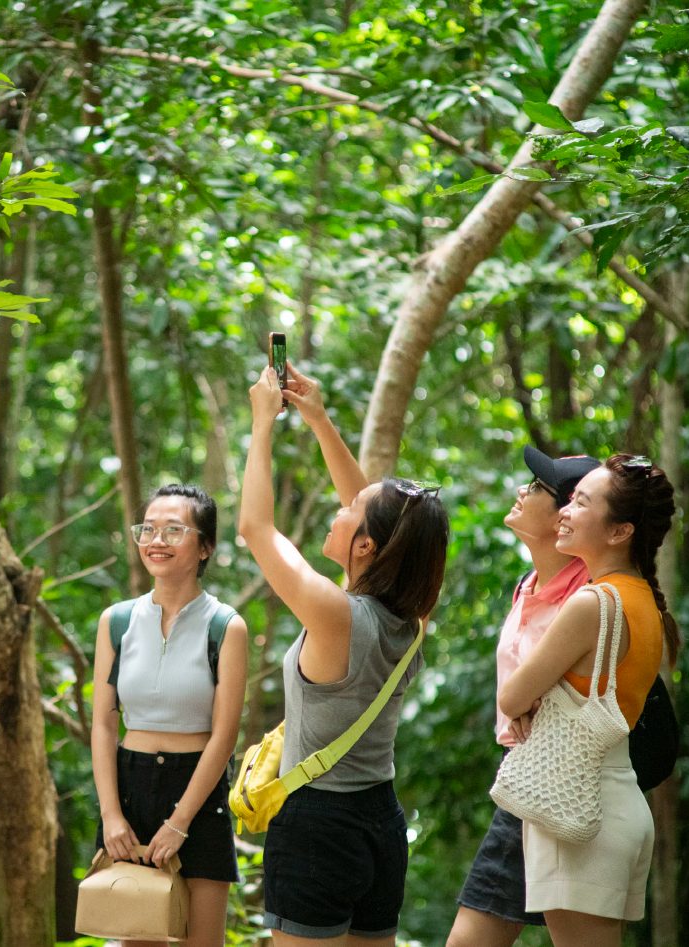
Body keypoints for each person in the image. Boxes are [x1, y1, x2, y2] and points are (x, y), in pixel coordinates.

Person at [238, 362, 449, 946]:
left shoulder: (337, 617)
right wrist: (319, 420)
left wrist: (261, 425)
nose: (341, 505)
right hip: (381, 821)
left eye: (348, 512)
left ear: (364, 546)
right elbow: (375, 514)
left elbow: (256, 528)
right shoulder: (411, 619)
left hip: (318, 827)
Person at [498, 454, 678, 946]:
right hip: (617, 803)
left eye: (580, 502)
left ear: (620, 531)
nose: (564, 512)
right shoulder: (640, 599)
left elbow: (512, 694)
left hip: (575, 808)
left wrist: (530, 701)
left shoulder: (591, 604)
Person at [447, 447, 599, 947]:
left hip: (561, 782)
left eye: (536, 487)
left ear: (566, 515)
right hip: (524, 780)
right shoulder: (526, 584)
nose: (521, 489)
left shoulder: (591, 593)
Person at [91, 484, 249, 947]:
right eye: (148, 529)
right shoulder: (116, 620)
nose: (156, 540)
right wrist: (111, 816)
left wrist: (180, 822)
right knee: (137, 938)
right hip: (130, 788)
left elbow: (224, 735)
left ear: (204, 547)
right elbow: (103, 722)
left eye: (173, 530)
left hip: (198, 790)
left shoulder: (226, 626)